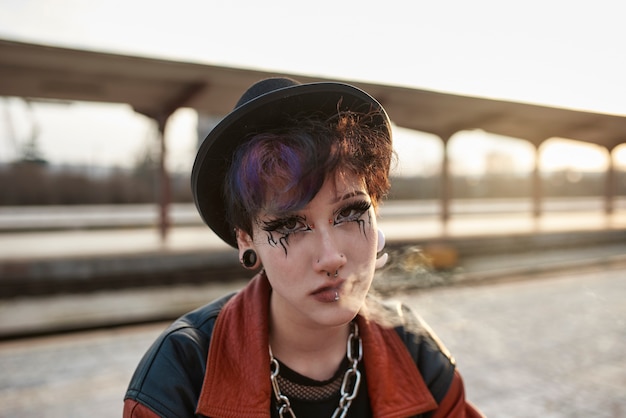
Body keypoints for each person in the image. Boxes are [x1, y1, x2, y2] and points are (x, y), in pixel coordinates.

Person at [123, 77, 483, 417]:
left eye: (350, 212)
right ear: (246, 239)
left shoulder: (414, 351)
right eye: (289, 225)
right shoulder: (182, 372)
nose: (330, 258)